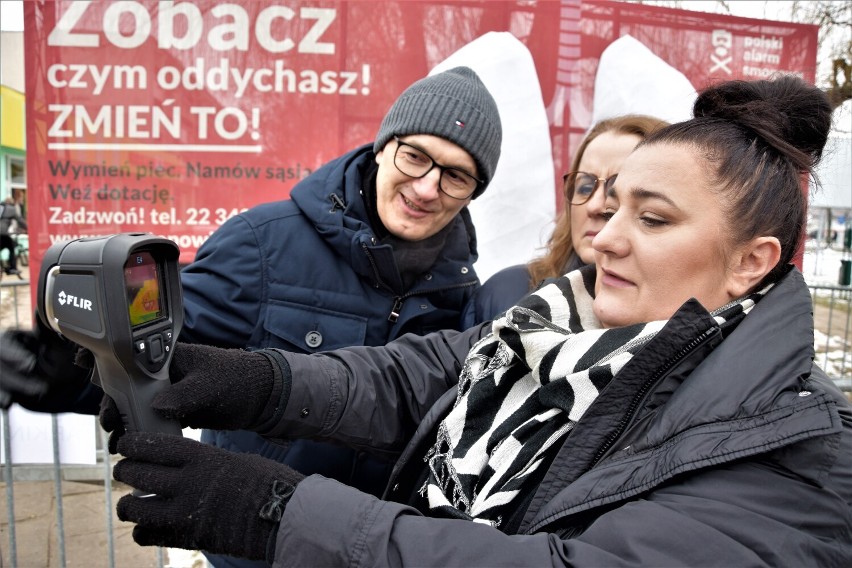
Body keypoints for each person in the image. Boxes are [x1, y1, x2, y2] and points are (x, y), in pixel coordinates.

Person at [106, 75, 852, 566]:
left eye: (652, 218)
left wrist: (275, 511)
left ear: (752, 262)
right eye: (606, 198)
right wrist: (253, 383)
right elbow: (418, 376)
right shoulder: (565, 324)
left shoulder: (794, 456)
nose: (607, 232)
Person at [0, 66, 502, 567]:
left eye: (455, 175)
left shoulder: (464, 293)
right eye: (414, 156)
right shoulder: (263, 244)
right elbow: (159, 355)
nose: (427, 187)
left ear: (474, 190)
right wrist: (65, 373)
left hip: (369, 552)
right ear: (383, 146)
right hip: (253, 552)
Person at [461, 115, 668, 327]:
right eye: (585, 187)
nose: (594, 206)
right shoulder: (507, 291)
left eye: (617, 189)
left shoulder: (677, 317)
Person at [0, 196, 27, 277]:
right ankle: (12, 268)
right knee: (11, 247)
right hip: (2, 234)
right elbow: (20, 220)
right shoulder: (11, 209)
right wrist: (28, 229)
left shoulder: (1, 207)